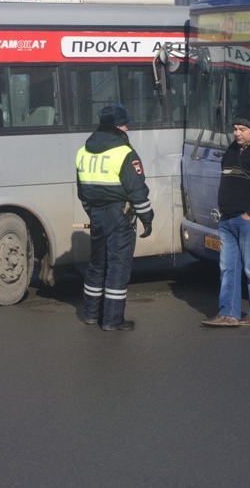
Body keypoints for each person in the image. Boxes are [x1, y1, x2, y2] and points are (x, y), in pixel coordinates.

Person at [75, 104, 153, 332]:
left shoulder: (83, 151)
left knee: (97, 265)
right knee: (118, 266)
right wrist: (147, 218)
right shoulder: (125, 153)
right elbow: (137, 191)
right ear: (117, 126)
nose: (127, 127)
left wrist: (93, 212)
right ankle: (112, 319)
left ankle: (90, 314)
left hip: (97, 213)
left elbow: (82, 191)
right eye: (124, 123)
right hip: (120, 214)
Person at [202, 109, 250, 327]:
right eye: (235, 129)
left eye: (242, 129)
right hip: (227, 220)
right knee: (227, 269)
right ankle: (228, 313)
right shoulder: (231, 150)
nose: (237, 133)